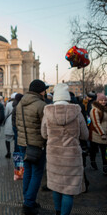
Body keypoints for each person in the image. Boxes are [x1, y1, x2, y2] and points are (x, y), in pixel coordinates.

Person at [41, 83, 89, 215]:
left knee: (56, 187)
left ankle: (57, 212)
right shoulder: (76, 111)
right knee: (69, 189)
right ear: (67, 97)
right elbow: (85, 135)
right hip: (71, 156)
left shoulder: (48, 112)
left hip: (54, 155)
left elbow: (44, 134)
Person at [16, 79, 48, 215]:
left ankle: (27, 198)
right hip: (36, 144)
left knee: (27, 171)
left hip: (23, 143)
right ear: (40, 91)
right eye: (44, 90)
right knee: (37, 173)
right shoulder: (41, 105)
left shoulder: (20, 104)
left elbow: (17, 124)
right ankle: (29, 203)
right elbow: (45, 127)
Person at [89, 93, 107, 174]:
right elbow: (96, 123)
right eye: (101, 100)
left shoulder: (105, 108)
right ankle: (93, 161)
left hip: (105, 133)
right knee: (94, 149)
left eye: (105, 100)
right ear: (98, 101)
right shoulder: (95, 110)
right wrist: (102, 134)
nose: (103, 102)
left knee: (104, 151)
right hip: (96, 133)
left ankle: (105, 166)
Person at [4, 93, 16, 158]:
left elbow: (6, 114)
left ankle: (8, 152)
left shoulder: (8, 104)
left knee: (7, 139)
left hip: (9, 122)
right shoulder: (19, 103)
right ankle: (15, 152)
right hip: (16, 122)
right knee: (16, 139)